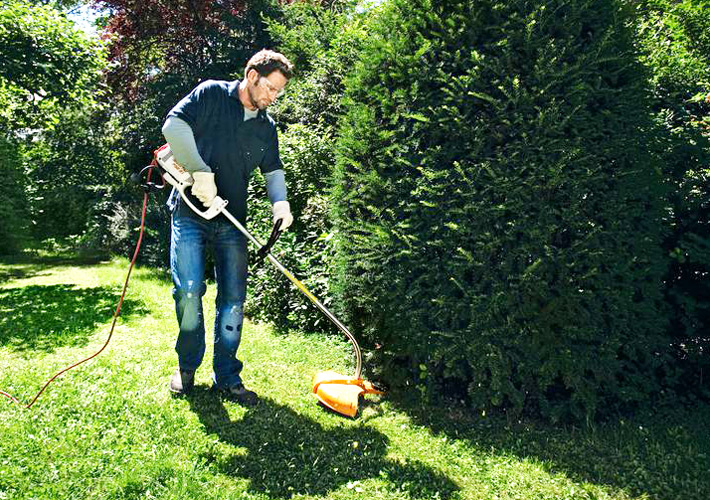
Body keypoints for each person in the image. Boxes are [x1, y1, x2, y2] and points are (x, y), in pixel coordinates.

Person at [161, 49, 294, 405]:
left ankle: (227, 376)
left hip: (232, 221)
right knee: (188, 292)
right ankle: (187, 367)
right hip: (190, 213)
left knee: (233, 302)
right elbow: (173, 126)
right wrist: (200, 171)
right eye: (270, 88)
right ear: (252, 76)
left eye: (279, 93)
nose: (272, 98)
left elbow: (273, 169)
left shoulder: (266, 127)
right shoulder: (211, 94)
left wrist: (280, 202)